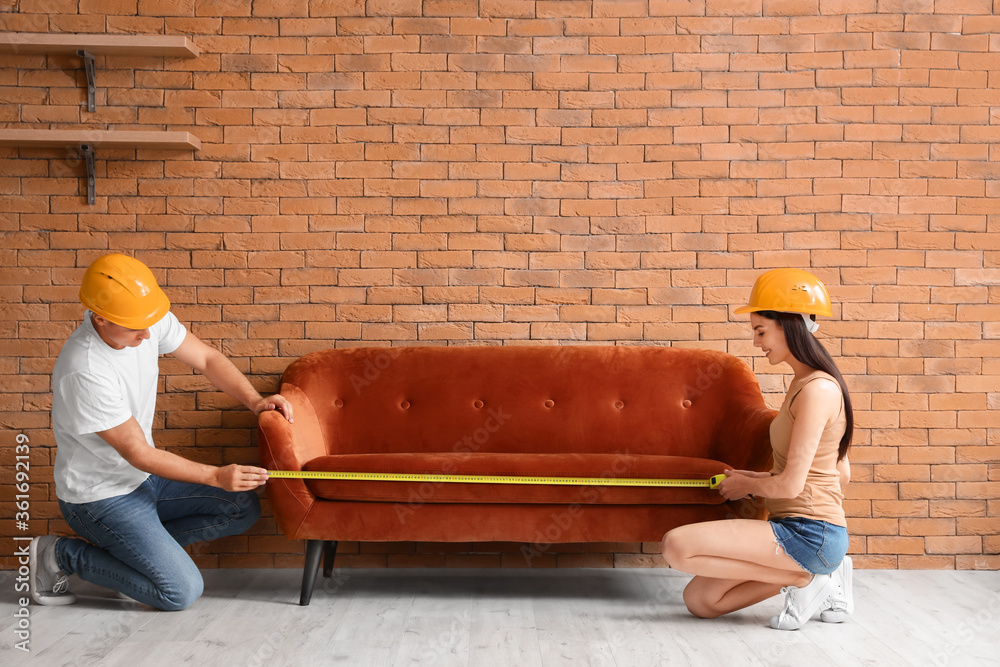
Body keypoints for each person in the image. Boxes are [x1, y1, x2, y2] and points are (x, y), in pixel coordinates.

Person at [29, 253, 293, 611]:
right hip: (101, 498)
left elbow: (207, 360)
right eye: (138, 327)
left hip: (145, 481)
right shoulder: (86, 369)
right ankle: (60, 555)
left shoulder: (142, 318)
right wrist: (216, 475)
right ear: (101, 318)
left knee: (240, 506)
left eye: (151, 321)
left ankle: (137, 563)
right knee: (179, 593)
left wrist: (255, 401)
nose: (149, 332)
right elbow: (138, 452)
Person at [661, 268, 854, 630]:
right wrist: (750, 476)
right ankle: (810, 577)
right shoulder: (805, 384)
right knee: (701, 601)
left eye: (760, 330)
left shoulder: (818, 391)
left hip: (809, 533)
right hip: (793, 526)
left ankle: (806, 578)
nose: (755, 341)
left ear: (789, 325)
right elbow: (837, 471)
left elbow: (793, 486)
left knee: (676, 546)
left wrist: (745, 486)